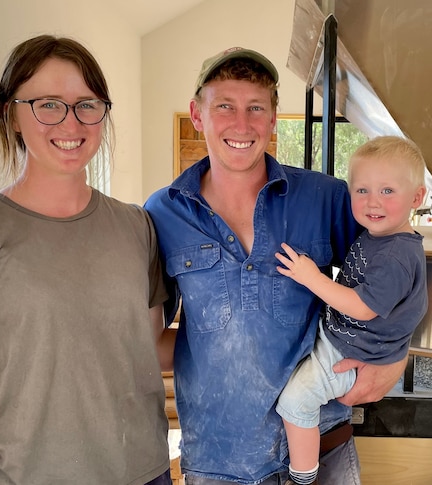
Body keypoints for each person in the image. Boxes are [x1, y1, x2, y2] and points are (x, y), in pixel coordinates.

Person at [0, 35, 172, 485]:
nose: (71, 123)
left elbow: (146, 348)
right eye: (48, 104)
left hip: (142, 473)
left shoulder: (137, 227)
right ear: (11, 114)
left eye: (87, 104)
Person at [144, 47, 409, 485]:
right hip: (219, 459)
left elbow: (397, 269)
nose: (241, 124)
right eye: (225, 106)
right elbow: (153, 340)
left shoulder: (325, 198)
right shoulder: (163, 213)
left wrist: (393, 359)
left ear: (272, 118)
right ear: (197, 114)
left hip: (323, 443)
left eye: (256, 108)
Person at [274, 135, 429, 485]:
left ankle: (303, 474)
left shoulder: (396, 256)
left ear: (416, 198)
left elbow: (361, 308)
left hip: (352, 352)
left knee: (296, 402)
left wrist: (310, 276)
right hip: (343, 336)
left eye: (387, 191)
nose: (373, 202)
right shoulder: (379, 235)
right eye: (362, 191)